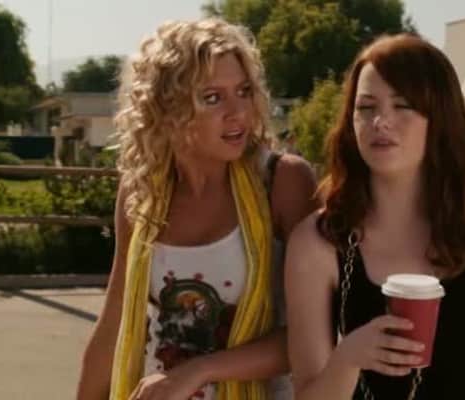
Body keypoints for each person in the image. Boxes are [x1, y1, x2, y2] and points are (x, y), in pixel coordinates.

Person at [284, 34, 465, 399]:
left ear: (439, 118)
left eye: (402, 105)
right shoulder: (319, 241)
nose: (380, 121)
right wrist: (348, 357)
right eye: (366, 107)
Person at [76, 19, 317, 400]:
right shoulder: (142, 191)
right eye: (212, 97)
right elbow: (115, 323)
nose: (238, 112)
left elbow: (314, 336)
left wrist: (198, 371)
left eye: (244, 91)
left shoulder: (282, 182)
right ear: (167, 108)